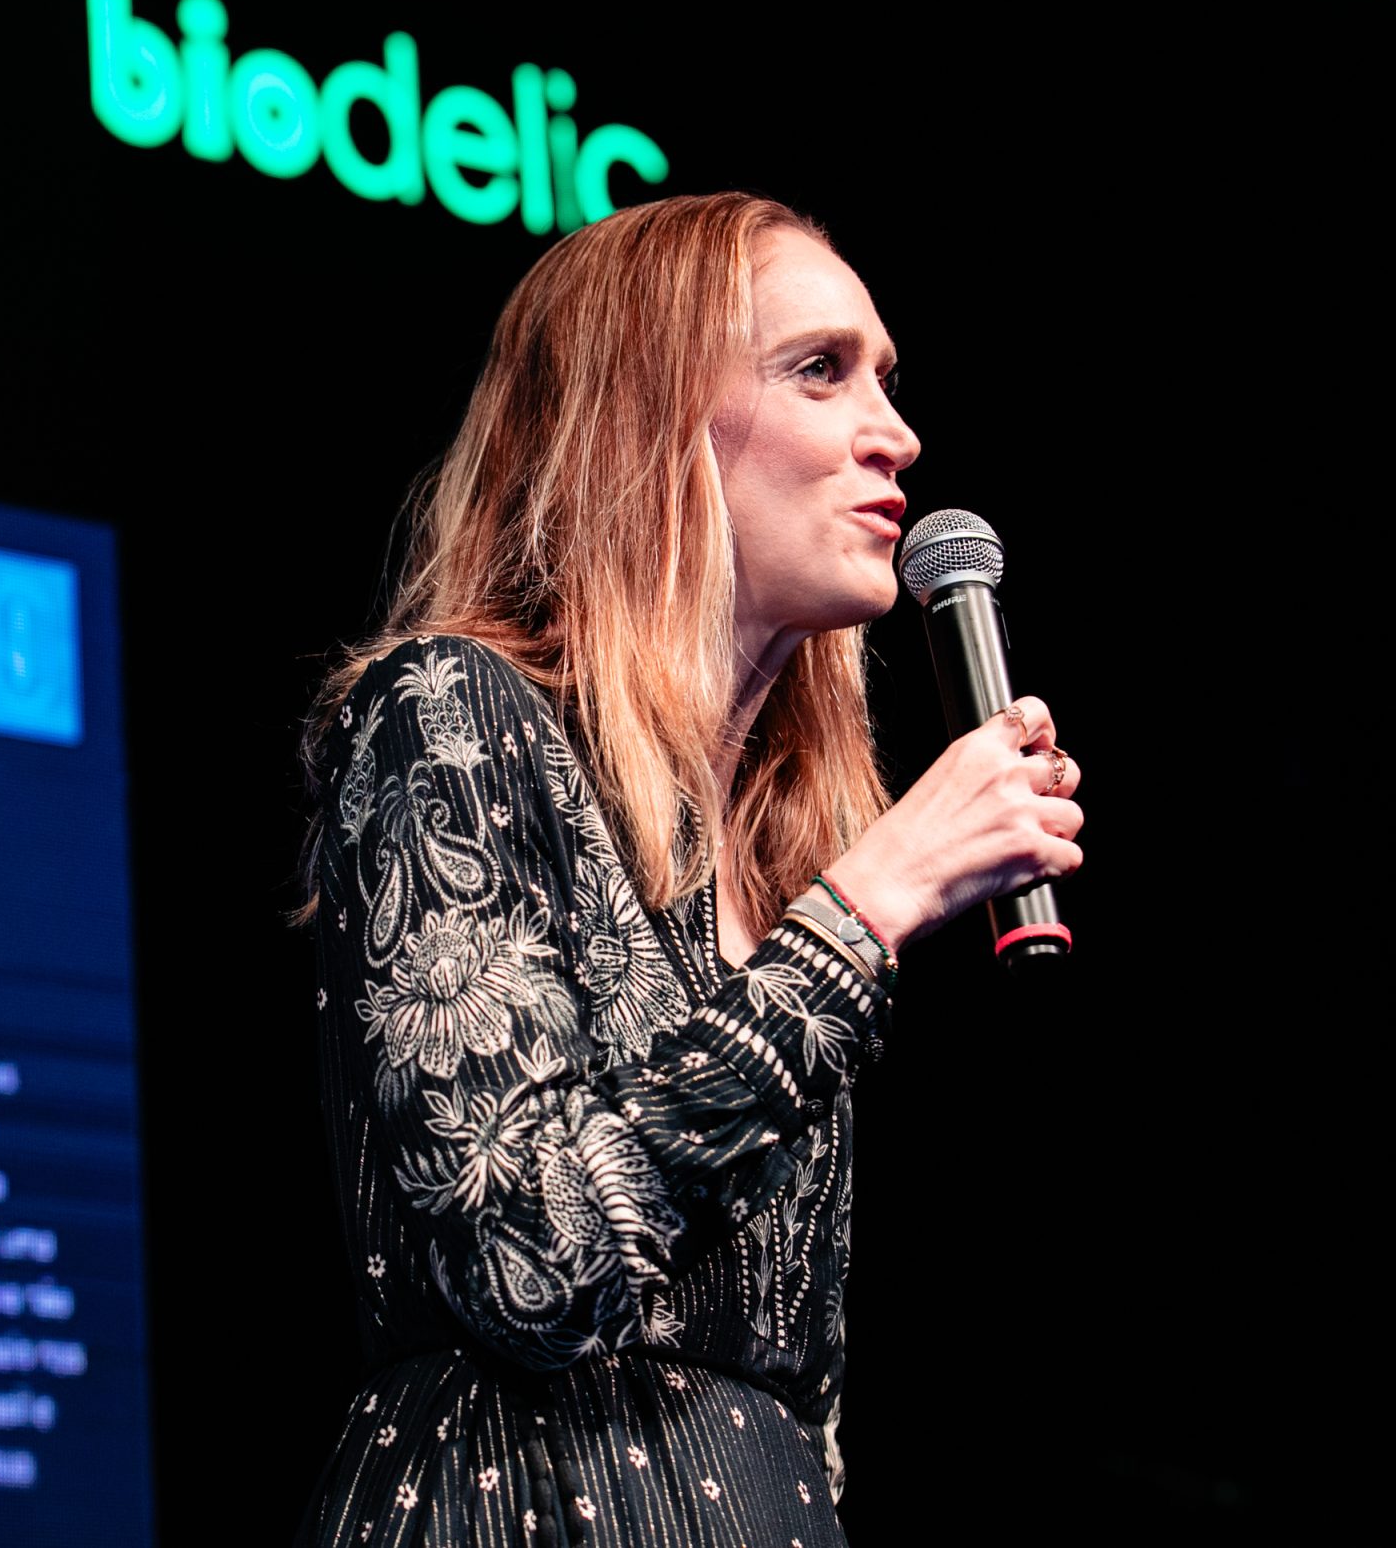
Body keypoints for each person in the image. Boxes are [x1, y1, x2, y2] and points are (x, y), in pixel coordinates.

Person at [294, 192, 1084, 1546]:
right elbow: (531, 1260)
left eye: (886, 380)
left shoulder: (778, 861)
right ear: (644, 418)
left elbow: (794, 1394)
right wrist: (864, 912)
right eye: (820, 370)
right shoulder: (450, 718)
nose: (894, 436)